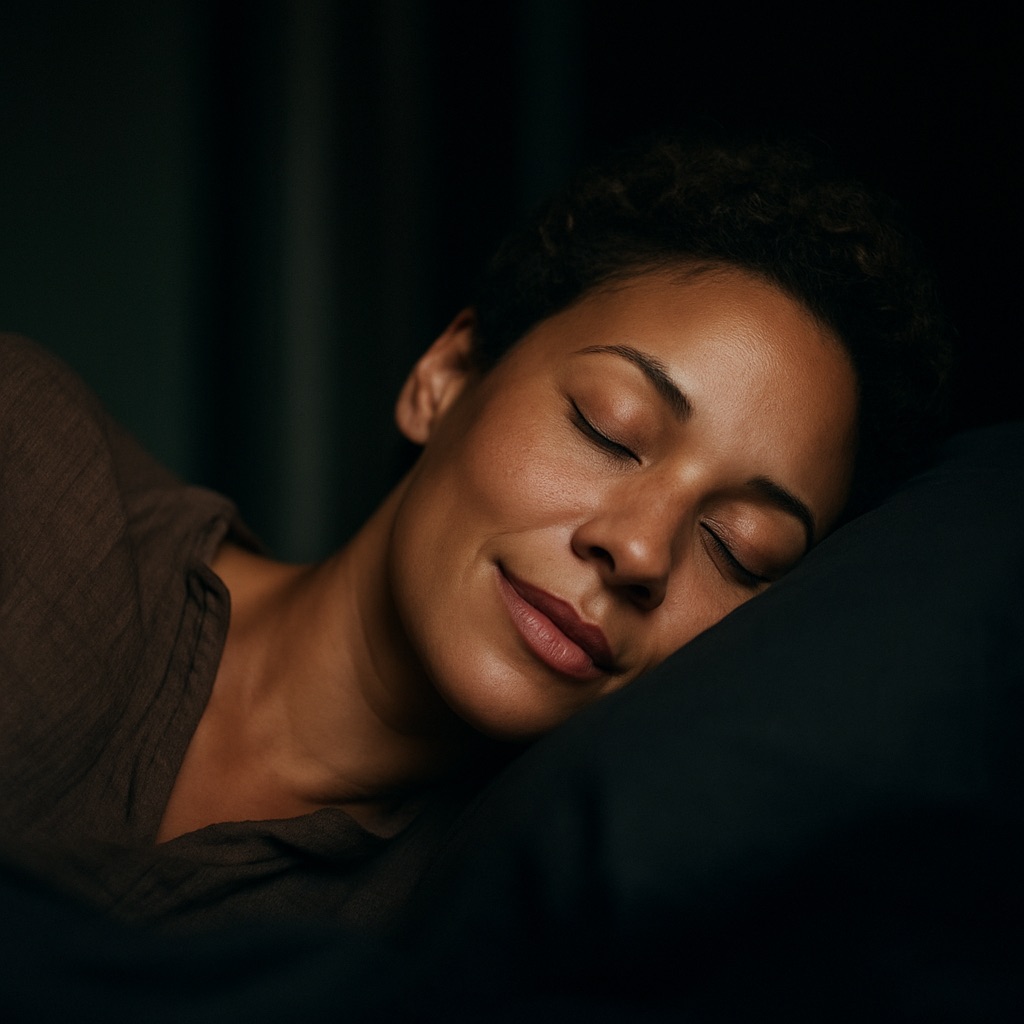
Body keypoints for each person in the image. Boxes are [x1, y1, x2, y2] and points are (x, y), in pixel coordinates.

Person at [0, 131, 952, 931]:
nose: (639, 549)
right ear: (446, 377)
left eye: (739, 548)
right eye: (609, 428)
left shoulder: (489, 944)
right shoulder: (28, 466)